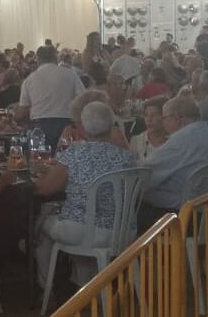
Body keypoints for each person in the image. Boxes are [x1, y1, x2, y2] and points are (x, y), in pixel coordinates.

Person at [31, 102, 133, 289]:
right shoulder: (126, 157)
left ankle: (45, 288)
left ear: (83, 128)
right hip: (122, 232)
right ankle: (83, 283)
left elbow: (44, 189)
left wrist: (37, 176)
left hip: (81, 231)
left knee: (40, 224)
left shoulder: (75, 153)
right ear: (111, 127)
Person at [138, 96, 208, 228]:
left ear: (177, 118)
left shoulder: (179, 142)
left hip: (177, 215)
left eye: (164, 118)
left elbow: (144, 175)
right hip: (202, 208)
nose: (163, 122)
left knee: (131, 204)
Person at [15, 44, 85, 150]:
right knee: (65, 160)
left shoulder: (29, 79)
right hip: (66, 126)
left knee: (41, 161)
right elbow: (83, 98)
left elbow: (23, 111)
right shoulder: (70, 74)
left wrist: (13, 119)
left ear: (38, 59)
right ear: (55, 58)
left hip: (39, 127)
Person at [129, 96, 169, 161]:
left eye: (154, 115)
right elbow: (133, 169)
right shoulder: (136, 141)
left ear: (164, 117)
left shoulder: (174, 140)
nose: (149, 119)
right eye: (146, 115)